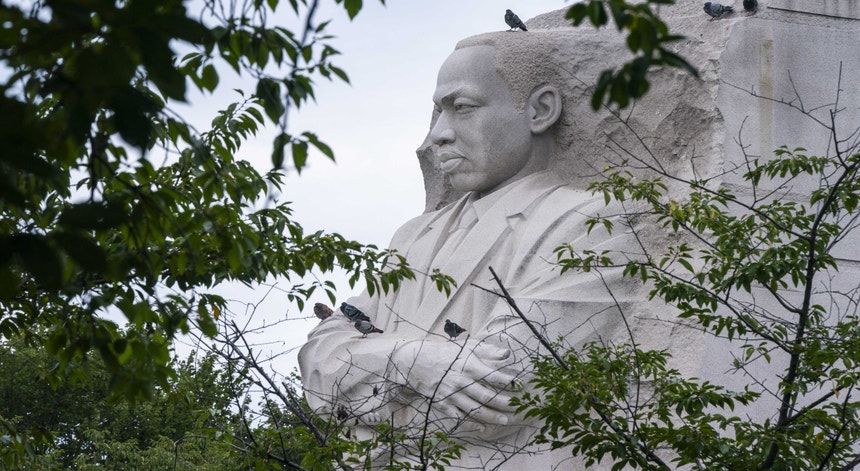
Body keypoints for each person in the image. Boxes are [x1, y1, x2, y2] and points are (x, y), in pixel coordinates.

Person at [298, 31, 644, 466]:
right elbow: (318, 360)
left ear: (540, 110)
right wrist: (415, 360)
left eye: (462, 107)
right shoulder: (412, 237)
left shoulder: (590, 222)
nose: (439, 134)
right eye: (438, 112)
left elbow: (506, 388)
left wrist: (363, 396)